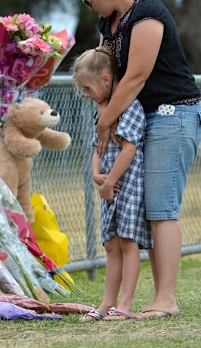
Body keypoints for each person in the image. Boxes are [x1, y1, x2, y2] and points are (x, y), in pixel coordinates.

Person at [73, 0, 201, 319]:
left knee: (162, 208)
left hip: (172, 115)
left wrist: (106, 121)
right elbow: (108, 73)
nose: (89, 8)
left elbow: (135, 76)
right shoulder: (108, 21)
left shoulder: (147, 14)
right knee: (147, 211)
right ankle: (147, 299)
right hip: (139, 118)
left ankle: (166, 299)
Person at [71, 47, 152, 321]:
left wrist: (110, 182)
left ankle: (125, 305)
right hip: (108, 189)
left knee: (128, 242)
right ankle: (107, 303)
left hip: (127, 185)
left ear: (106, 80)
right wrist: (97, 175)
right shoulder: (101, 114)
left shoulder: (130, 107)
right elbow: (98, 148)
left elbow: (129, 149)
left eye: (87, 88)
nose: (85, 94)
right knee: (111, 244)